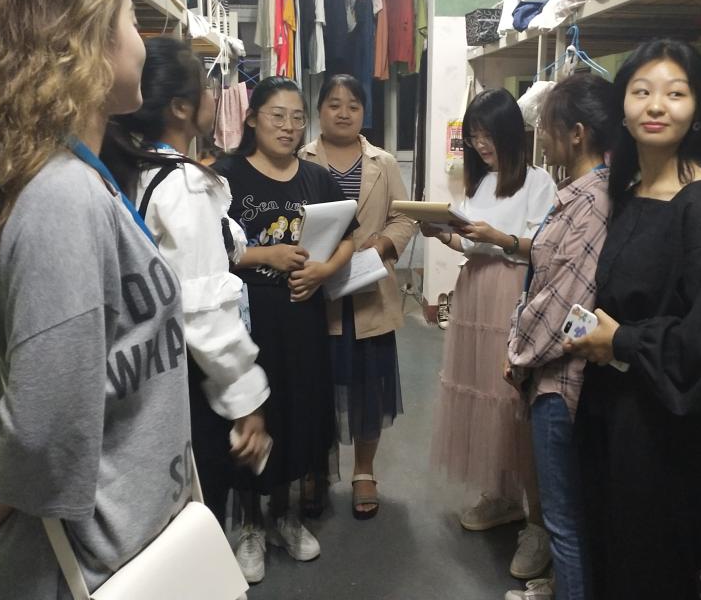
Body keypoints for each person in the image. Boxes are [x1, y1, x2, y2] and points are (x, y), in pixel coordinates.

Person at [0, 0, 194, 598]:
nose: (142, 40)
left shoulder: (74, 180)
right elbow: (42, 432)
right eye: (129, 20)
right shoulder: (61, 196)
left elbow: (76, 381)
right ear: (83, 43)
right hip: (82, 571)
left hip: (115, 547)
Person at [565, 40, 701, 600]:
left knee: (649, 573)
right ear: (623, 109)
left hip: (661, 436)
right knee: (608, 560)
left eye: (675, 93)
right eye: (641, 92)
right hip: (610, 415)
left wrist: (623, 341)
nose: (656, 106)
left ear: (698, 111)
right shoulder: (632, 191)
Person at [100, 36, 271, 526]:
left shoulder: (130, 167)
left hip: (142, 378)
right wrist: (246, 399)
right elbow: (203, 311)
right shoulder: (182, 185)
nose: (215, 96)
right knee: (200, 510)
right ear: (180, 107)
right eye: (206, 87)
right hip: (189, 380)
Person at [214, 76, 357, 584]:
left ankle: (284, 516)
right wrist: (263, 255)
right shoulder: (226, 177)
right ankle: (251, 524)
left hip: (302, 318)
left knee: (297, 412)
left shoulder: (316, 178)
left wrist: (324, 270)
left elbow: (349, 234)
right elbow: (208, 250)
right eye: (277, 115)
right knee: (254, 414)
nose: (289, 127)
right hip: (247, 321)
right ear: (252, 118)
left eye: (298, 118)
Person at [424, 88, 556, 580]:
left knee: (515, 402)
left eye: (489, 135)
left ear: (511, 133)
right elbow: (470, 243)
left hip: (513, 295)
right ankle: (502, 496)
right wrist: (442, 232)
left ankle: (539, 523)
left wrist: (497, 238)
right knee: (481, 394)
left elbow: (543, 249)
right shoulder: (480, 183)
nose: (481, 145)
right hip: (475, 292)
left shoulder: (539, 182)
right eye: (474, 136)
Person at [502, 74, 618, 600]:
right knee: (571, 515)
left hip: (561, 376)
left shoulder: (593, 204)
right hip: (551, 368)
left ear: (577, 133)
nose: (542, 140)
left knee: (564, 520)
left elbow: (565, 299)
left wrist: (519, 352)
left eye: (548, 128)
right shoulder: (580, 194)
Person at [299, 74, 417, 520]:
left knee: (371, 386)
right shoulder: (301, 158)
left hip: (370, 293)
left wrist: (382, 245)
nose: (344, 112)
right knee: (316, 386)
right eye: (334, 103)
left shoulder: (383, 162)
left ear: (364, 112)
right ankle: (315, 468)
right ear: (319, 111)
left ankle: (364, 471)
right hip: (316, 292)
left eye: (353, 104)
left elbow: (404, 218)